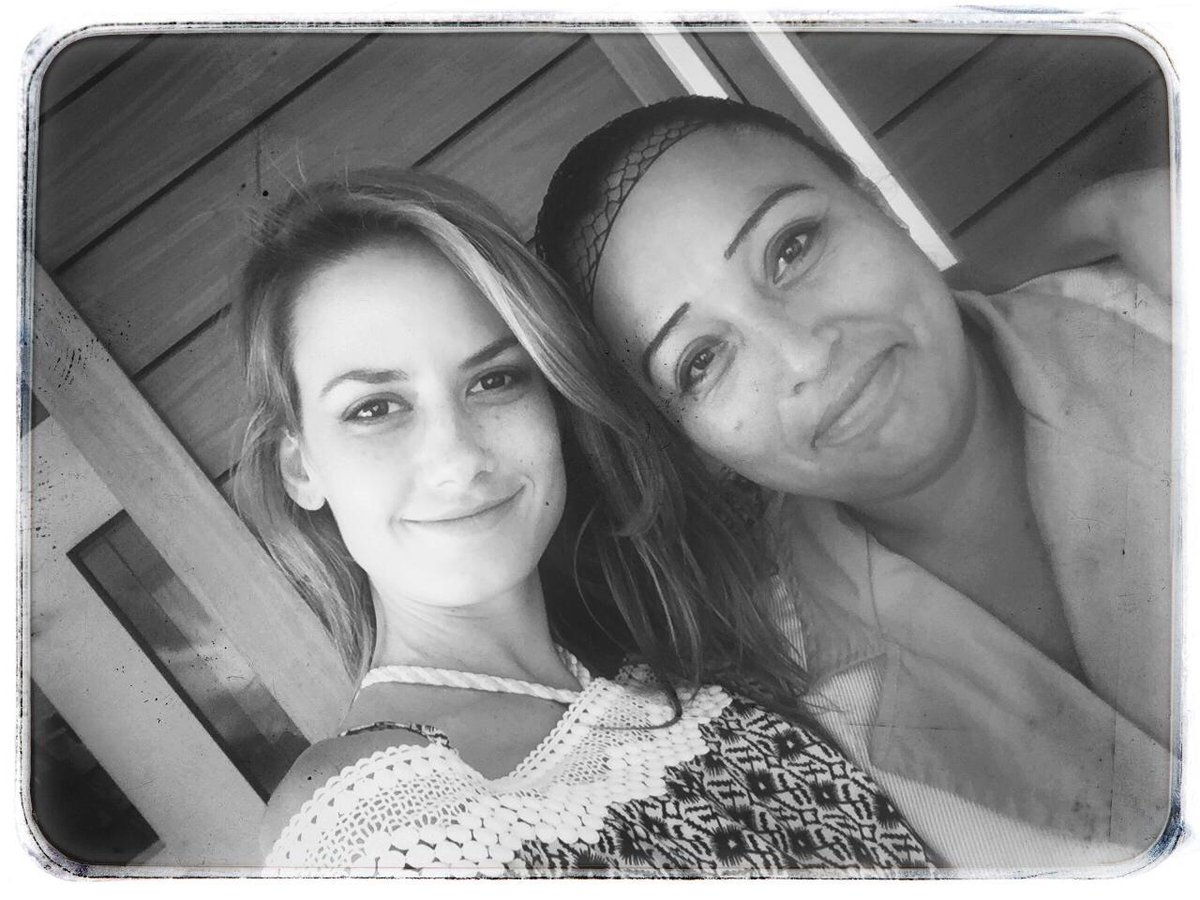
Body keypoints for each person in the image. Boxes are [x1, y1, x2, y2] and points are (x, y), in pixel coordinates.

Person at [232, 168, 933, 874]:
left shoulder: (675, 642)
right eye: (373, 409)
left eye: (494, 379)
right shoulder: (372, 822)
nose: (457, 459)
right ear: (300, 467)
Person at [535, 96, 1173, 870]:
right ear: (693, 444)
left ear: (877, 204)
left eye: (792, 248)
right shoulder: (792, 723)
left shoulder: (1165, 312)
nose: (805, 355)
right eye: (701, 360)